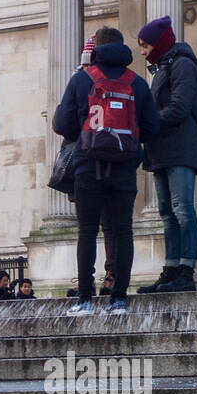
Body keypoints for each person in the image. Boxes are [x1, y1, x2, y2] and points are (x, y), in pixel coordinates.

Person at [52, 26, 160, 315]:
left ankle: (85, 299)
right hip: (124, 168)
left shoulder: (81, 79)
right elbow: (151, 127)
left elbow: (62, 125)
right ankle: (119, 299)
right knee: (123, 230)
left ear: (95, 49)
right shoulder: (137, 83)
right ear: (122, 48)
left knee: (87, 230)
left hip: (88, 166)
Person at [136, 15, 197, 295]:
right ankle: (172, 268)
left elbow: (180, 106)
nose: (142, 51)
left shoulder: (183, 65)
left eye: (145, 45)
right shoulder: (163, 67)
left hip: (180, 148)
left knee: (183, 210)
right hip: (162, 149)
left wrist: (148, 122)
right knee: (166, 212)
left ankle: (186, 271)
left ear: (159, 43)